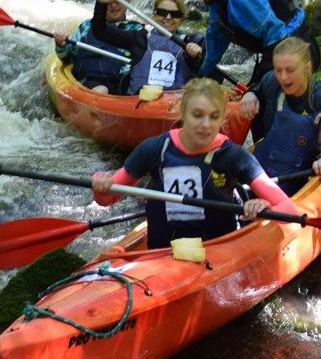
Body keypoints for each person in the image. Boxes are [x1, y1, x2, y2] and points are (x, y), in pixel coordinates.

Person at [91, 77, 298, 249]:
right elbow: (107, 199)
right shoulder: (154, 148)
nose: (205, 125)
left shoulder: (234, 155)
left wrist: (266, 205)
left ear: (223, 118)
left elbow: (288, 211)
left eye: (214, 117)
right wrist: (101, 185)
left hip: (218, 253)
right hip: (161, 256)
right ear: (183, 113)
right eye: (197, 115)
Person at [176, 0, 321, 87]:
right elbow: (216, 37)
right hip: (277, 48)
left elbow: (276, 37)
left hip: (297, 49)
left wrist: (258, 84)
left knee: (264, 101)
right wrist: (201, 74)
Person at [238, 36, 321, 196]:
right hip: (262, 168)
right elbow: (255, 89)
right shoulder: (271, 81)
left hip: (297, 175)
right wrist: (249, 95)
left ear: (307, 68)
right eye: (278, 70)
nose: (283, 77)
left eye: (290, 70)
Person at [90, 0, 205, 95]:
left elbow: (210, 75)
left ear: (182, 18)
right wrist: (101, 4)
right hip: (138, 103)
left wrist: (199, 56)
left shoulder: (192, 42)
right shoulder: (139, 39)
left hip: (174, 104)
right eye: (162, 12)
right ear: (154, 14)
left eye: (175, 14)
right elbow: (100, 31)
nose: (168, 17)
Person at [52, 0, 144, 94]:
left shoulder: (138, 30)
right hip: (92, 82)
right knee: (102, 90)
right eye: (109, 1)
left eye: (119, 0)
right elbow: (67, 59)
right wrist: (61, 46)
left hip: (124, 85)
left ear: (128, 2)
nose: (114, 5)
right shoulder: (87, 26)